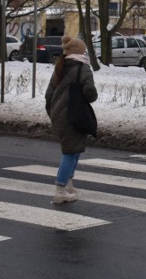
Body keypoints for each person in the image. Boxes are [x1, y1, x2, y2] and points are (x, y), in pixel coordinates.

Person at [44, 35, 97, 204]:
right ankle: (60, 189)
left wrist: (53, 112)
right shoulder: (83, 68)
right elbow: (90, 93)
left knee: (74, 149)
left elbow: (49, 94)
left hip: (59, 114)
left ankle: (68, 184)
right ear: (80, 51)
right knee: (70, 152)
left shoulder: (60, 66)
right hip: (74, 114)